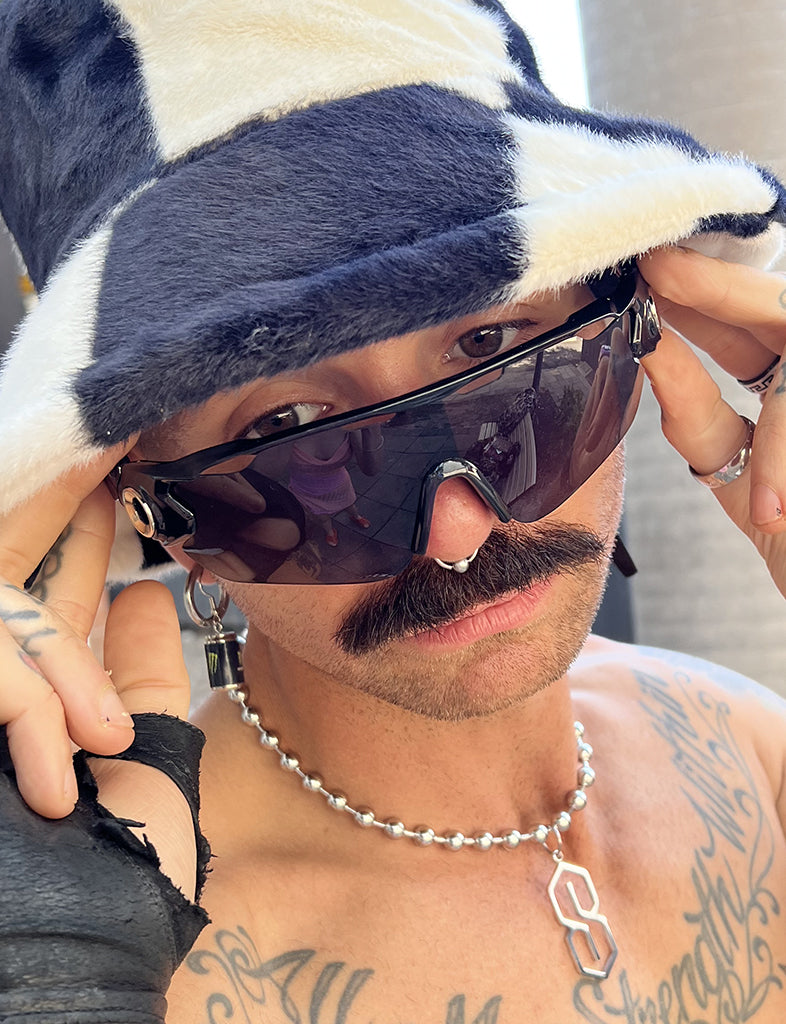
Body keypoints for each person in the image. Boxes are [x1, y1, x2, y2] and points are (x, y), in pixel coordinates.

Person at [1, 2, 786, 1021]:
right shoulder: (139, 948)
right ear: (159, 513)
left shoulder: (752, 753)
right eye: (290, 429)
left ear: (635, 333)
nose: (457, 530)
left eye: (497, 354)